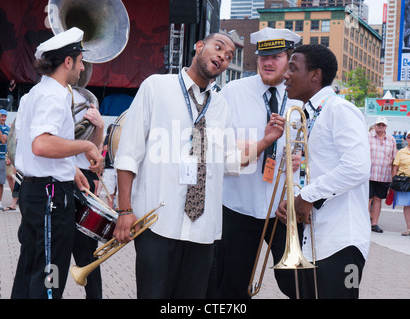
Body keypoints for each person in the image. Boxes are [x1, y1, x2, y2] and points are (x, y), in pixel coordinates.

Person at [113, 33, 285, 299]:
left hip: (203, 232)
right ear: (199, 46)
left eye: (229, 56)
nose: (223, 57)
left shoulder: (221, 106)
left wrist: (265, 141)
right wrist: (124, 209)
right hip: (157, 225)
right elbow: (128, 152)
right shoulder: (156, 87)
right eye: (218, 48)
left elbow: (230, 161)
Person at [10, 27, 103, 299]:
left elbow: (29, 148)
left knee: (29, 268)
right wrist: (86, 145)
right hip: (51, 197)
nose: (82, 67)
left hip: (34, 192)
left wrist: (71, 169)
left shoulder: (34, 94)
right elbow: (41, 144)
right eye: (80, 61)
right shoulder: (54, 95)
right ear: (68, 61)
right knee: (50, 274)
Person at [277, 44, 371, 299]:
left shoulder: (340, 109)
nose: (285, 75)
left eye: (293, 68)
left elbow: (357, 168)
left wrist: (308, 196)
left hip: (342, 242)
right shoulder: (308, 115)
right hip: (314, 240)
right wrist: (292, 201)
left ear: (315, 75)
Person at [216, 28, 303, 299]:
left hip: (282, 207)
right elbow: (222, 150)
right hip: (239, 205)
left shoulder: (300, 97)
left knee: (296, 282)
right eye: (263, 56)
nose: (267, 62)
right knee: (231, 284)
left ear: (289, 59)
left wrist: (302, 161)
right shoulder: (233, 92)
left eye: (276, 56)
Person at [71, 87, 105, 299]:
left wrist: (100, 126)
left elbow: (95, 148)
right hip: (58, 177)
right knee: (53, 257)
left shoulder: (88, 99)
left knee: (88, 255)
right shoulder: (51, 97)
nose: (83, 68)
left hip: (84, 178)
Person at [368, 117, 397, 233]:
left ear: (386, 127)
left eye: (383, 125)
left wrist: (394, 176)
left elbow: (395, 158)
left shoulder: (391, 140)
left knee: (378, 199)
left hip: (384, 175)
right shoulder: (367, 137)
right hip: (369, 174)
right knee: (367, 199)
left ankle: (374, 224)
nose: (380, 126)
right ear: (375, 126)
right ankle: (365, 222)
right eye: (378, 124)